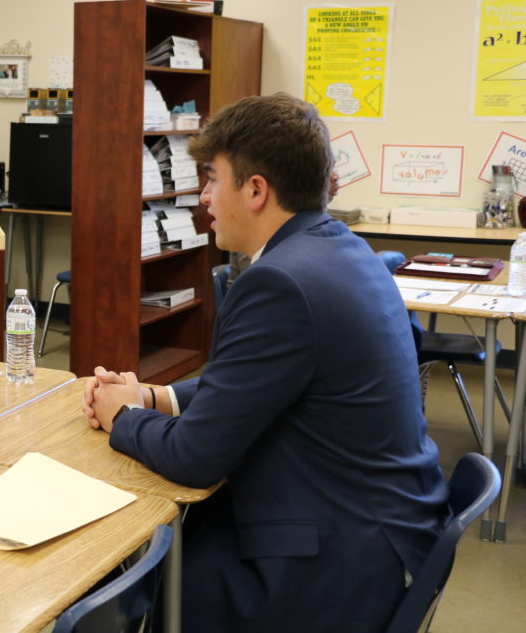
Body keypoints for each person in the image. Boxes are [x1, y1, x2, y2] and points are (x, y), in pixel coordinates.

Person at [82, 93, 446, 632]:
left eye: (212, 179)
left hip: (335, 562)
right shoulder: (342, 250)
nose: (203, 197)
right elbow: (256, 381)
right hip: (383, 526)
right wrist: (158, 397)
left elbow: (194, 458)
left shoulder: (278, 282)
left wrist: (121, 414)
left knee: (151, 567)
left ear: (256, 190)